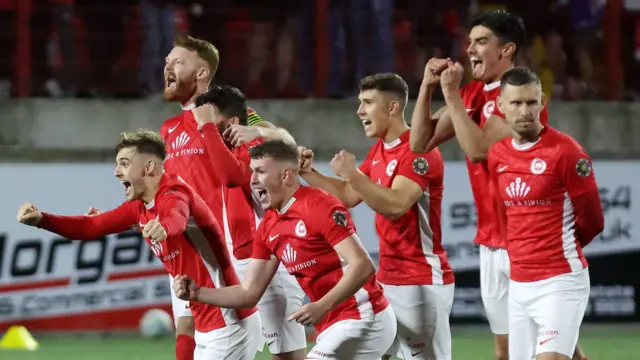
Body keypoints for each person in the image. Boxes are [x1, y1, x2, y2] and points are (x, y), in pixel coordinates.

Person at [408, 10, 588, 360]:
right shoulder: (473, 93)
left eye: (480, 41)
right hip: (493, 242)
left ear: (506, 50)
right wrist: (428, 88)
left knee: (526, 349)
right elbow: (419, 142)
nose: (470, 49)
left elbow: (478, 151)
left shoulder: (520, 100)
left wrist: (452, 96)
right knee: (529, 348)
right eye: (470, 41)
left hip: (527, 244)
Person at [16, 130, 262, 359]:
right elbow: (91, 226)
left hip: (229, 324)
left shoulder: (174, 192)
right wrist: (42, 220)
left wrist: (164, 227)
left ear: (148, 167)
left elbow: (176, 215)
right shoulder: (139, 206)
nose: (116, 171)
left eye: (124, 164)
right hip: (207, 323)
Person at [173, 140, 397, 359]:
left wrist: (321, 306)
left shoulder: (320, 205)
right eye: (252, 172)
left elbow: (363, 265)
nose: (252, 180)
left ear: (287, 175)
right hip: (332, 325)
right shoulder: (268, 226)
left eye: (260, 171)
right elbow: (248, 293)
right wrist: (198, 293)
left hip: (365, 315)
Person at [159, 33, 298, 360]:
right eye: (167, 62)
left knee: (284, 350)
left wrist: (261, 131)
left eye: (178, 62)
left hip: (246, 251)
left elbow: (286, 142)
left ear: (202, 73)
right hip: (193, 250)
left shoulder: (233, 115)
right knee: (187, 325)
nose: (167, 67)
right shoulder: (169, 129)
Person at [298, 73, 454, 359]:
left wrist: (352, 173)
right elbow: (349, 195)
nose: (359, 111)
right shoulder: (380, 150)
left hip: (420, 282)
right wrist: (308, 173)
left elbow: (395, 205)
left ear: (392, 107)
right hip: (387, 279)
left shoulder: (420, 152)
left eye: (368, 103)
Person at [487, 67, 603, 360]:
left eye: (531, 102)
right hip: (519, 285)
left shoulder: (567, 153)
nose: (524, 110)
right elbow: (506, 216)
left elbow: (593, 220)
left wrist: (555, 248)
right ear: (501, 106)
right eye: (516, 103)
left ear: (542, 102)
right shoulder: (498, 155)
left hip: (560, 281)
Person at [190, 85, 308, 359]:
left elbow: (233, 176)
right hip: (241, 263)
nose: (203, 125)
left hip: (270, 266)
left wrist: (208, 127)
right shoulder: (225, 146)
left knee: (287, 354)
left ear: (232, 122)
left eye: (210, 117)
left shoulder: (252, 144)